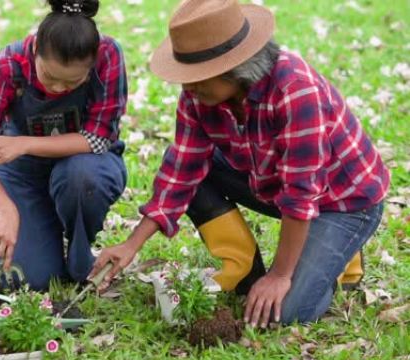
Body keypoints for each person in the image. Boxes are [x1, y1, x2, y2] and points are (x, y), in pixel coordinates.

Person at [89, 0, 389, 327]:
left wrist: (280, 275)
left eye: (199, 77)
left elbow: (301, 193)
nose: (188, 86)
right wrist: (132, 243)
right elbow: (182, 170)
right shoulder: (199, 95)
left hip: (343, 201)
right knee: (194, 173)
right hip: (270, 181)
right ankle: (245, 267)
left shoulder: (294, 88)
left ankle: (340, 254)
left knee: (287, 313)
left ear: (237, 67)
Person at [0, 0, 127, 290]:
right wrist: (6, 209)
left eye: (72, 83)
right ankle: (41, 226)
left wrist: (23, 143)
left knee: (82, 178)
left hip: (84, 165)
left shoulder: (107, 55)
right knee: (26, 280)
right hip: (24, 174)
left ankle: (80, 247)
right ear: (35, 50)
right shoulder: (7, 67)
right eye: (50, 77)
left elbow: (98, 139)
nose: (58, 89)